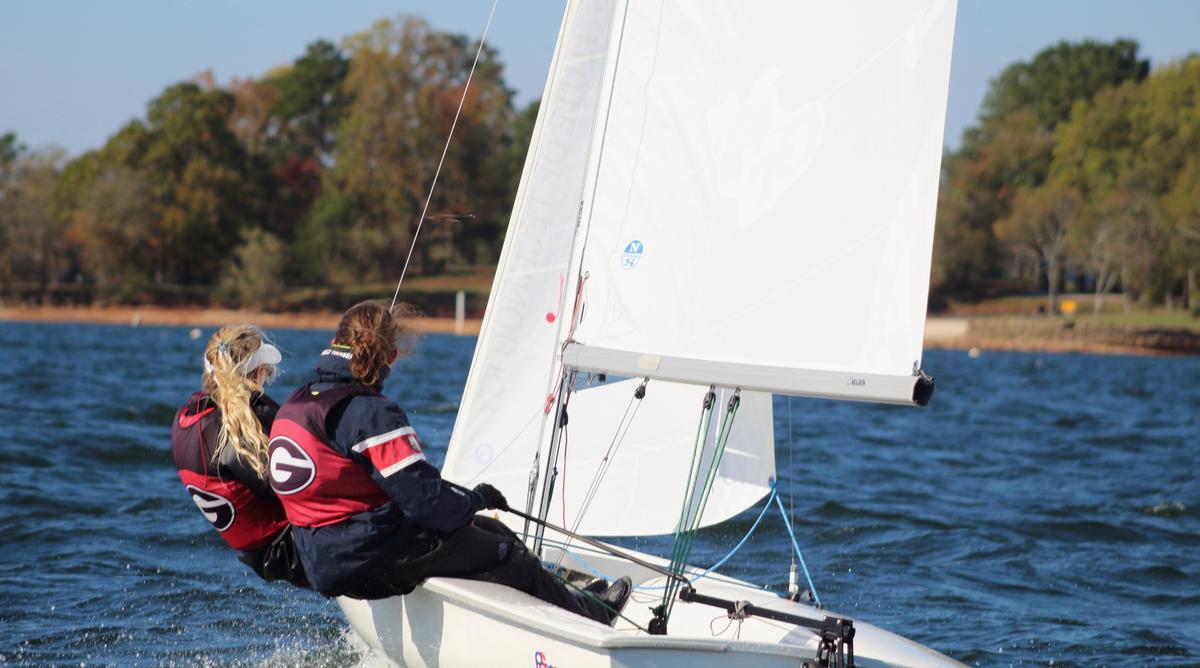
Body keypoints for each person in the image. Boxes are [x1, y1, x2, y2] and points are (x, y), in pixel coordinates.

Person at [267, 300, 630, 623]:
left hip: (321, 561)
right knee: (509, 550)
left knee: (486, 533)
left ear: (336, 342)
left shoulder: (295, 405)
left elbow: (350, 487)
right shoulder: (370, 414)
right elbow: (430, 506)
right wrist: (478, 498)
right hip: (368, 559)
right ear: (390, 356)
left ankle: (566, 597)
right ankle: (594, 615)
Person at [172, 325, 308, 587]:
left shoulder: (185, 417)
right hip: (290, 554)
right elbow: (298, 487)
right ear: (257, 372)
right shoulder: (242, 431)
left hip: (258, 557)